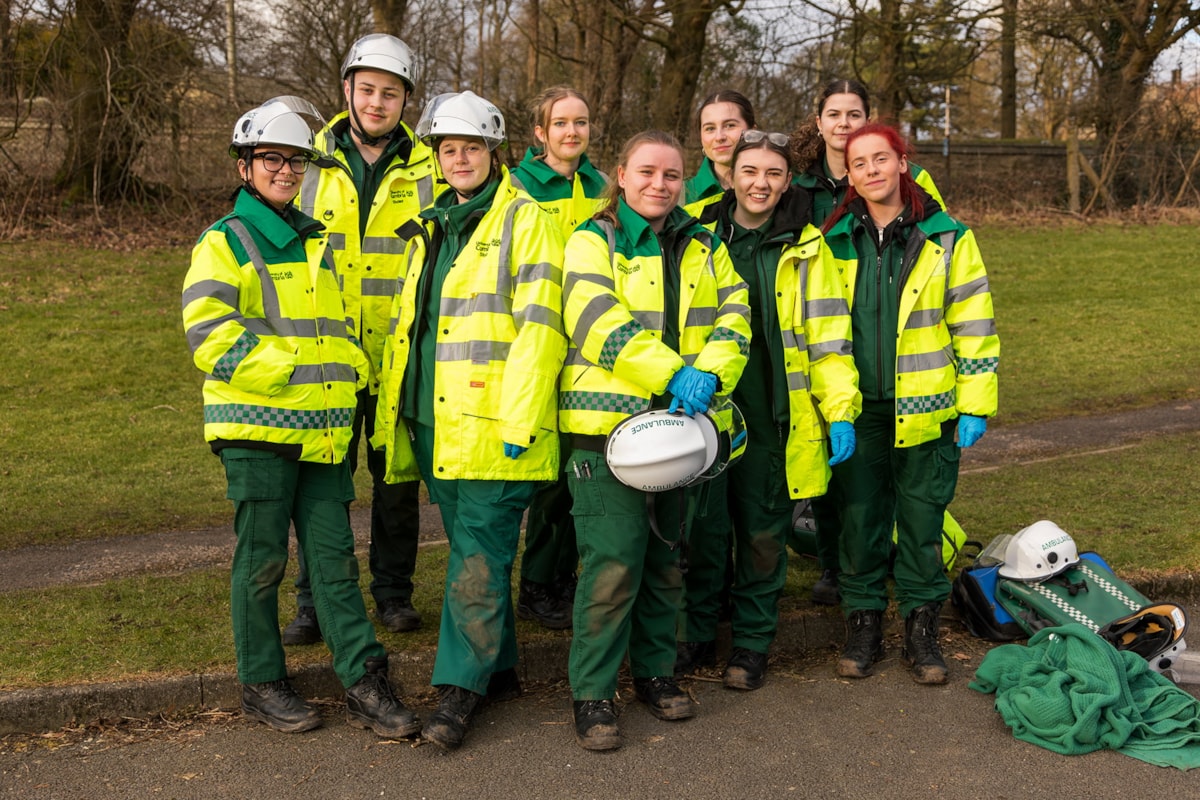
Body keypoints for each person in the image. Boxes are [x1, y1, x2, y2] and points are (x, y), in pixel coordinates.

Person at [181, 96, 419, 737]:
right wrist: (291, 374)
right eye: (271, 160)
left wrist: (349, 381)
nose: (285, 171)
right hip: (258, 433)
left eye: (295, 162)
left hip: (321, 433)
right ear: (245, 167)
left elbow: (334, 331)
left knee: (335, 561)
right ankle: (262, 682)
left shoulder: (316, 243)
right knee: (261, 562)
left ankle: (365, 680)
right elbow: (209, 335)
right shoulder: (225, 242)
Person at [372, 91, 567, 750]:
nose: (459, 158)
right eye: (447, 148)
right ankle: (502, 668)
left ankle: (458, 692)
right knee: (469, 553)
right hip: (436, 424)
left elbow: (542, 329)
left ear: (494, 152)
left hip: (494, 426)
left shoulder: (525, 221)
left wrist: (520, 422)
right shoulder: (432, 225)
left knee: (479, 562)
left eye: (471, 147)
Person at [559, 130, 751, 751]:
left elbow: (736, 313)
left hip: (681, 433)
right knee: (612, 562)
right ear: (621, 174)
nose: (658, 185)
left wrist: (712, 372)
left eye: (671, 175)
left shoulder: (704, 242)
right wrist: (674, 374)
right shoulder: (595, 238)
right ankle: (592, 693)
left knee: (667, 561)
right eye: (646, 172)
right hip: (606, 432)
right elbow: (595, 320)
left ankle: (655, 675)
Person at [677, 131, 861, 689]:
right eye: (750, 171)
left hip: (776, 417)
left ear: (787, 182)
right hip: (705, 413)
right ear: (728, 175)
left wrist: (841, 409)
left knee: (762, 535)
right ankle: (699, 632)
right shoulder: (695, 236)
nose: (761, 184)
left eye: (774, 174)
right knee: (703, 531)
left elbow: (831, 339)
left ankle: (753, 644)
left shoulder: (808, 247)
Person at [821, 122, 999, 685]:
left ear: (903, 163)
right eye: (859, 163)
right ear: (848, 175)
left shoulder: (948, 238)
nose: (871, 170)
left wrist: (975, 403)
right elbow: (824, 335)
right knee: (860, 522)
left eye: (881, 158)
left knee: (921, 522)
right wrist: (837, 408)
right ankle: (864, 625)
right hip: (860, 413)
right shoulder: (830, 240)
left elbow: (974, 327)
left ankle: (922, 631)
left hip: (929, 411)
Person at [280, 34, 434, 646]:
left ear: (405, 101)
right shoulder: (306, 156)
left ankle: (394, 594)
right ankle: (315, 600)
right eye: (366, 89)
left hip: (400, 351)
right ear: (346, 90)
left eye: (389, 93)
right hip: (327, 351)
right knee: (323, 483)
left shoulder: (429, 165)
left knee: (397, 478)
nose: (376, 102)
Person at [789, 77, 946, 607]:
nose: (844, 124)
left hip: (906, 371)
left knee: (906, 496)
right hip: (833, 351)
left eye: (854, 114)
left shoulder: (915, 187)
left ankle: (904, 586)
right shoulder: (802, 186)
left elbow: (934, 244)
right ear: (820, 122)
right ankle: (840, 570)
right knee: (841, 483)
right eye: (834, 114)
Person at [509, 86, 609, 629]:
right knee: (547, 479)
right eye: (561, 123)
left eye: (582, 122)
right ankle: (538, 584)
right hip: (540, 342)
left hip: (593, 348)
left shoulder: (604, 187)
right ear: (540, 133)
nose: (573, 132)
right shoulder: (517, 186)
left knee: (582, 471)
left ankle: (566, 577)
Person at [683, 90, 755, 217]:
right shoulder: (681, 194)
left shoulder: (782, 188)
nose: (719, 137)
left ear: (753, 132)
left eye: (729, 125)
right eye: (710, 128)